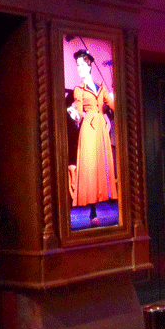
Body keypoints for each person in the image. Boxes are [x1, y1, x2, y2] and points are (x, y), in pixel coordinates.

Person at [67, 49, 117, 226]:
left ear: (89, 66)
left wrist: (115, 97)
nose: (79, 68)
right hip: (88, 128)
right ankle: (92, 213)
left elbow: (112, 105)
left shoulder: (101, 86)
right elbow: (79, 114)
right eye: (77, 65)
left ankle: (105, 199)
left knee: (101, 166)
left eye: (82, 65)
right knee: (90, 167)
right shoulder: (78, 90)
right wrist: (73, 113)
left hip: (101, 129)